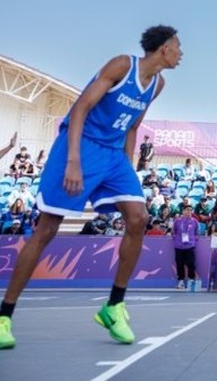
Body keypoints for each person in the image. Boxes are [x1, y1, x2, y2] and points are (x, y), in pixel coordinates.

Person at [0, 26, 181, 350]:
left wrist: (127, 165)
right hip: (80, 146)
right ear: (164, 48)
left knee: (138, 218)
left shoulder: (157, 85)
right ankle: (4, 316)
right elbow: (80, 108)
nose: (182, 53)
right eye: (178, 46)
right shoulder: (122, 66)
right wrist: (72, 161)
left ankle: (113, 306)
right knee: (46, 231)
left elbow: (133, 126)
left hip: (113, 156)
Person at [172, 204, 199, 291]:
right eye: (187, 210)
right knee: (179, 264)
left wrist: (194, 240)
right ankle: (181, 281)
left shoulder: (195, 221)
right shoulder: (178, 221)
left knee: (191, 264)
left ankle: (191, 280)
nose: (189, 211)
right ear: (183, 211)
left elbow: (197, 232)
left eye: (191, 210)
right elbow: (173, 231)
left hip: (190, 245)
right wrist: (176, 239)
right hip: (179, 246)